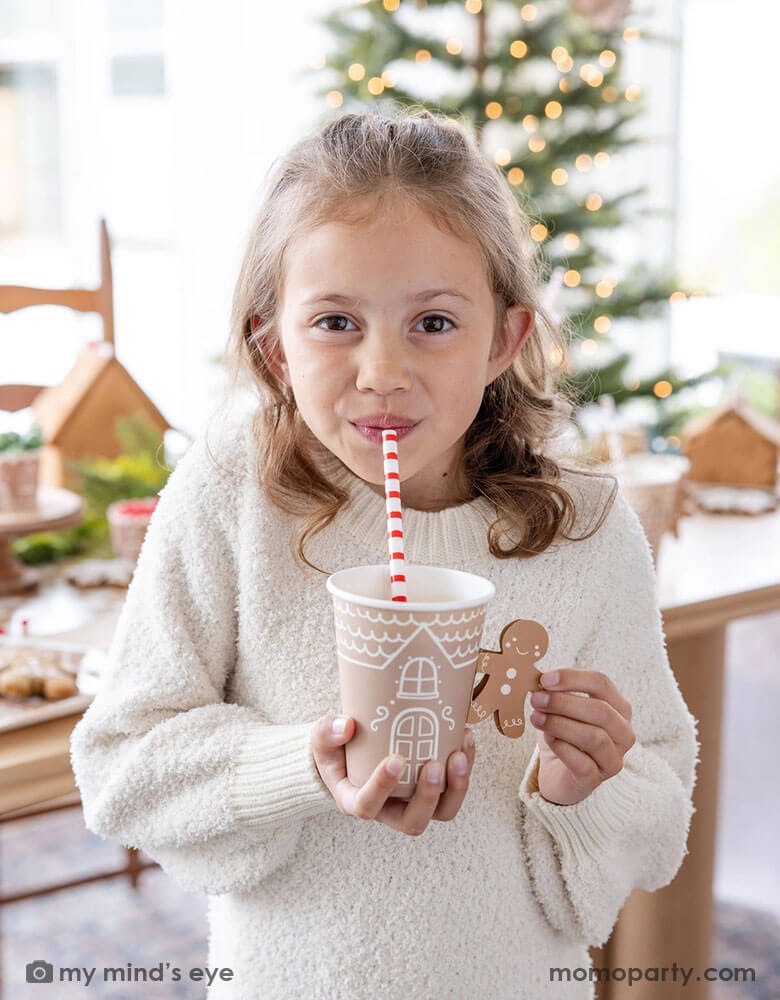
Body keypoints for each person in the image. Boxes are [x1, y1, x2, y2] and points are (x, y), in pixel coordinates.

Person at [70, 106, 699, 999]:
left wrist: (578, 786)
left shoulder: (587, 528)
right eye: (334, 322)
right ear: (274, 345)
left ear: (504, 340)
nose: (382, 372)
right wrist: (304, 766)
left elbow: (660, 815)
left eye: (434, 324)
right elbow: (124, 764)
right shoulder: (233, 489)